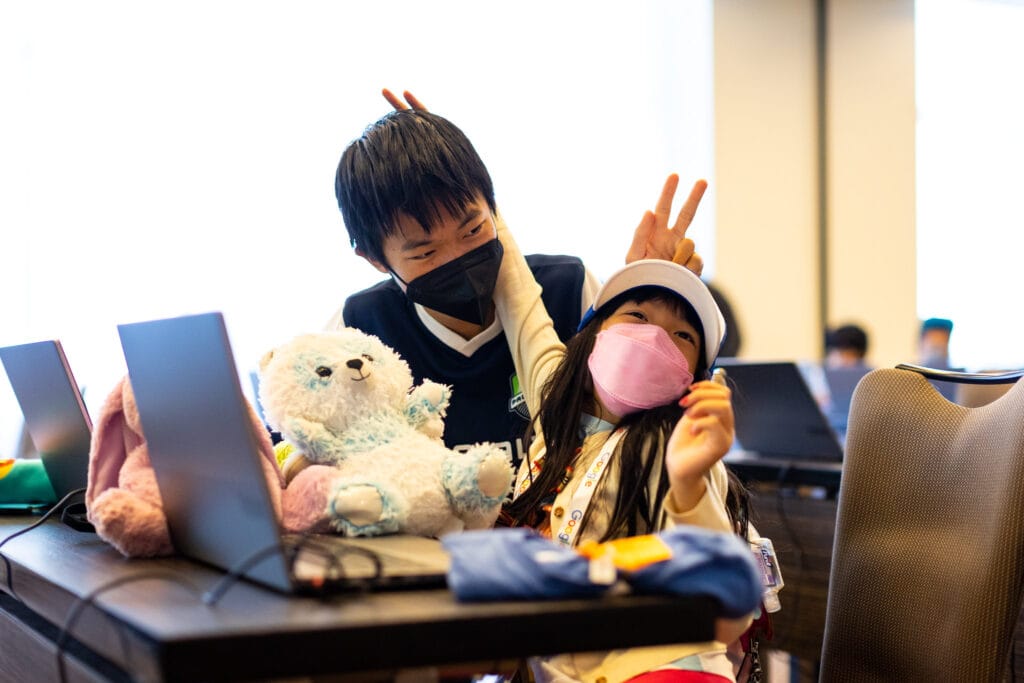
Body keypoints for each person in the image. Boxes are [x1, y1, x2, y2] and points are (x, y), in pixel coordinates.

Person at [330, 92, 705, 465]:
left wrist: (651, 298)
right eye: (425, 253)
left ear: (493, 207)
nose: (458, 257)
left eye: (473, 229)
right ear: (374, 258)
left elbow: (644, 424)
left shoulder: (569, 291)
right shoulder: (357, 330)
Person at [493, 215, 759, 681]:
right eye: (636, 316)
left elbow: (720, 598)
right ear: (594, 331)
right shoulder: (554, 412)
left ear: (693, 373)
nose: (655, 338)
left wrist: (690, 483)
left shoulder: (678, 447)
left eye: (683, 336)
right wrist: (482, 208)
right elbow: (521, 304)